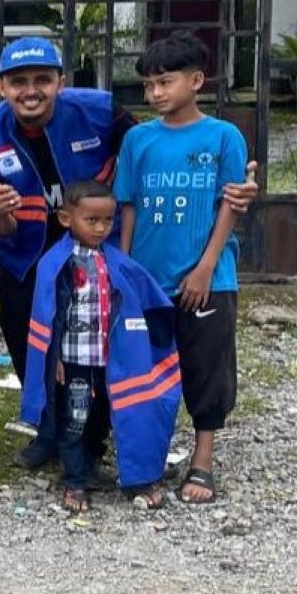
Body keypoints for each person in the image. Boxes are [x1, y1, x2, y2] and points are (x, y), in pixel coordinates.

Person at [115, 33, 249, 505]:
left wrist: (205, 268)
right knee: (147, 369)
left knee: (206, 369)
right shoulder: (138, 139)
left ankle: (203, 460)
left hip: (208, 279)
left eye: (165, 83)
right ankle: (149, 458)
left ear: (196, 81)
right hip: (148, 281)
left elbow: (230, 205)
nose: (155, 94)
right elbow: (127, 207)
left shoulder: (223, 136)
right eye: (149, 85)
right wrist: (127, 272)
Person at [24, 181, 179, 512]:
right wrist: (55, 361)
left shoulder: (118, 263)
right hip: (75, 359)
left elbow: (147, 300)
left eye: (107, 220)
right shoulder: (54, 265)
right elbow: (48, 317)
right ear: (66, 219)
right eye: (91, 220)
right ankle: (75, 482)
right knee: (74, 419)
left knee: (121, 414)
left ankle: (132, 475)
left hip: (114, 361)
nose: (100, 228)